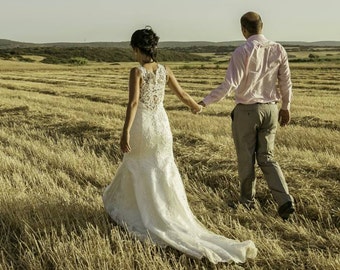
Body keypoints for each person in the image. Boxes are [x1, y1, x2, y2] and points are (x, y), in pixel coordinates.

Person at [103, 26, 257, 264]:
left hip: (143, 127)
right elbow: (183, 95)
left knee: (138, 167)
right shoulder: (165, 71)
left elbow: (133, 103)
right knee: (162, 169)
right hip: (162, 128)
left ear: (137, 49)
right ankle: (168, 212)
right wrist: (196, 106)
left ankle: (145, 213)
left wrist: (124, 132)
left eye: (133, 49)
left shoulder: (137, 72)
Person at [199, 11, 295, 220]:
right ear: (262, 26)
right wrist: (286, 107)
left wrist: (204, 102)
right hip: (271, 109)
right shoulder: (278, 49)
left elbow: (230, 84)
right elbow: (286, 82)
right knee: (267, 157)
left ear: (244, 30)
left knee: (246, 158)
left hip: (247, 110)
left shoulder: (242, 51)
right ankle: (285, 200)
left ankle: (247, 202)